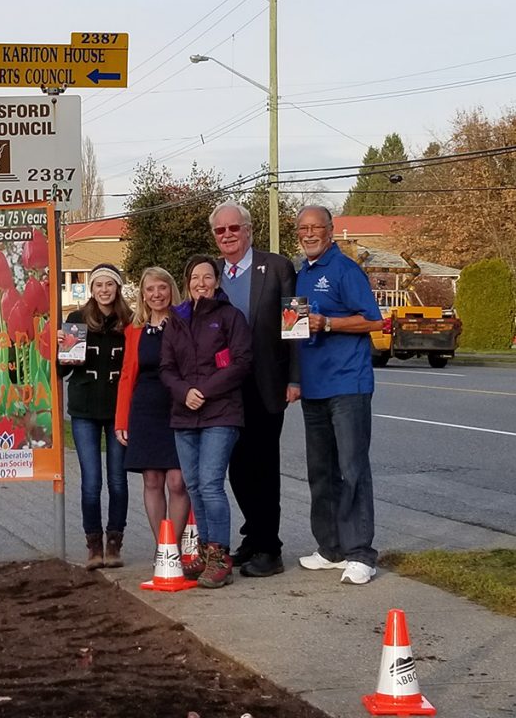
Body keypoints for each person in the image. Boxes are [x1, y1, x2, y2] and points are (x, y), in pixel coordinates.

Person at [210, 199, 300, 578]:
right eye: (220, 230)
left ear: (248, 230)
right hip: (226, 388)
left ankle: (270, 548)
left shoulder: (278, 267)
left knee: (263, 466)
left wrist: (295, 378)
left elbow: (296, 325)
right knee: (237, 468)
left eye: (234, 228)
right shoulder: (210, 272)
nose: (228, 235)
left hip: (266, 384)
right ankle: (251, 536)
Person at [295, 205, 383, 585]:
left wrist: (328, 322)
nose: (310, 234)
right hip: (313, 387)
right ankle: (330, 548)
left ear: (331, 231)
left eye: (317, 227)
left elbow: (374, 320)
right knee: (321, 473)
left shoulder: (346, 271)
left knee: (351, 469)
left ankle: (361, 552)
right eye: (303, 228)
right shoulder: (301, 275)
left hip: (348, 384)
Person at [160, 255, 252, 588]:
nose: (201, 282)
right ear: (187, 282)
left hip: (220, 413)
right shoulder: (176, 319)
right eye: (195, 277)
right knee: (194, 484)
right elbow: (166, 369)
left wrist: (204, 390)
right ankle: (203, 550)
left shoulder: (230, 317)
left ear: (217, 281)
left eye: (207, 277)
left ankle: (220, 555)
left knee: (211, 483)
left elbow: (241, 363)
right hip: (185, 414)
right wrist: (185, 392)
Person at [58, 263, 131, 570]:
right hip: (85, 408)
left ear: (117, 288)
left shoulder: (128, 321)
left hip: (117, 409)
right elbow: (62, 371)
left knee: (117, 480)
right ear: (91, 289)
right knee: (91, 480)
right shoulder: (76, 320)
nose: (104, 290)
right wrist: (62, 349)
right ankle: (93, 545)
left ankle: (114, 542)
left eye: (109, 284)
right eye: (99, 284)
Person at [114, 267, 189, 557]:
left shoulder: (184, 323)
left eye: (162, 288)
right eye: (150, 289)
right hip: (144, 409)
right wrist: (122, 419)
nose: (156, 294)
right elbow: (126, 375)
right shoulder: (134, 330)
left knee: (177, 480)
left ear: (171, 290)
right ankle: (163, 550)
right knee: (153, 481)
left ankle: (177, 545)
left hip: (178, 408)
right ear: (143, 295)